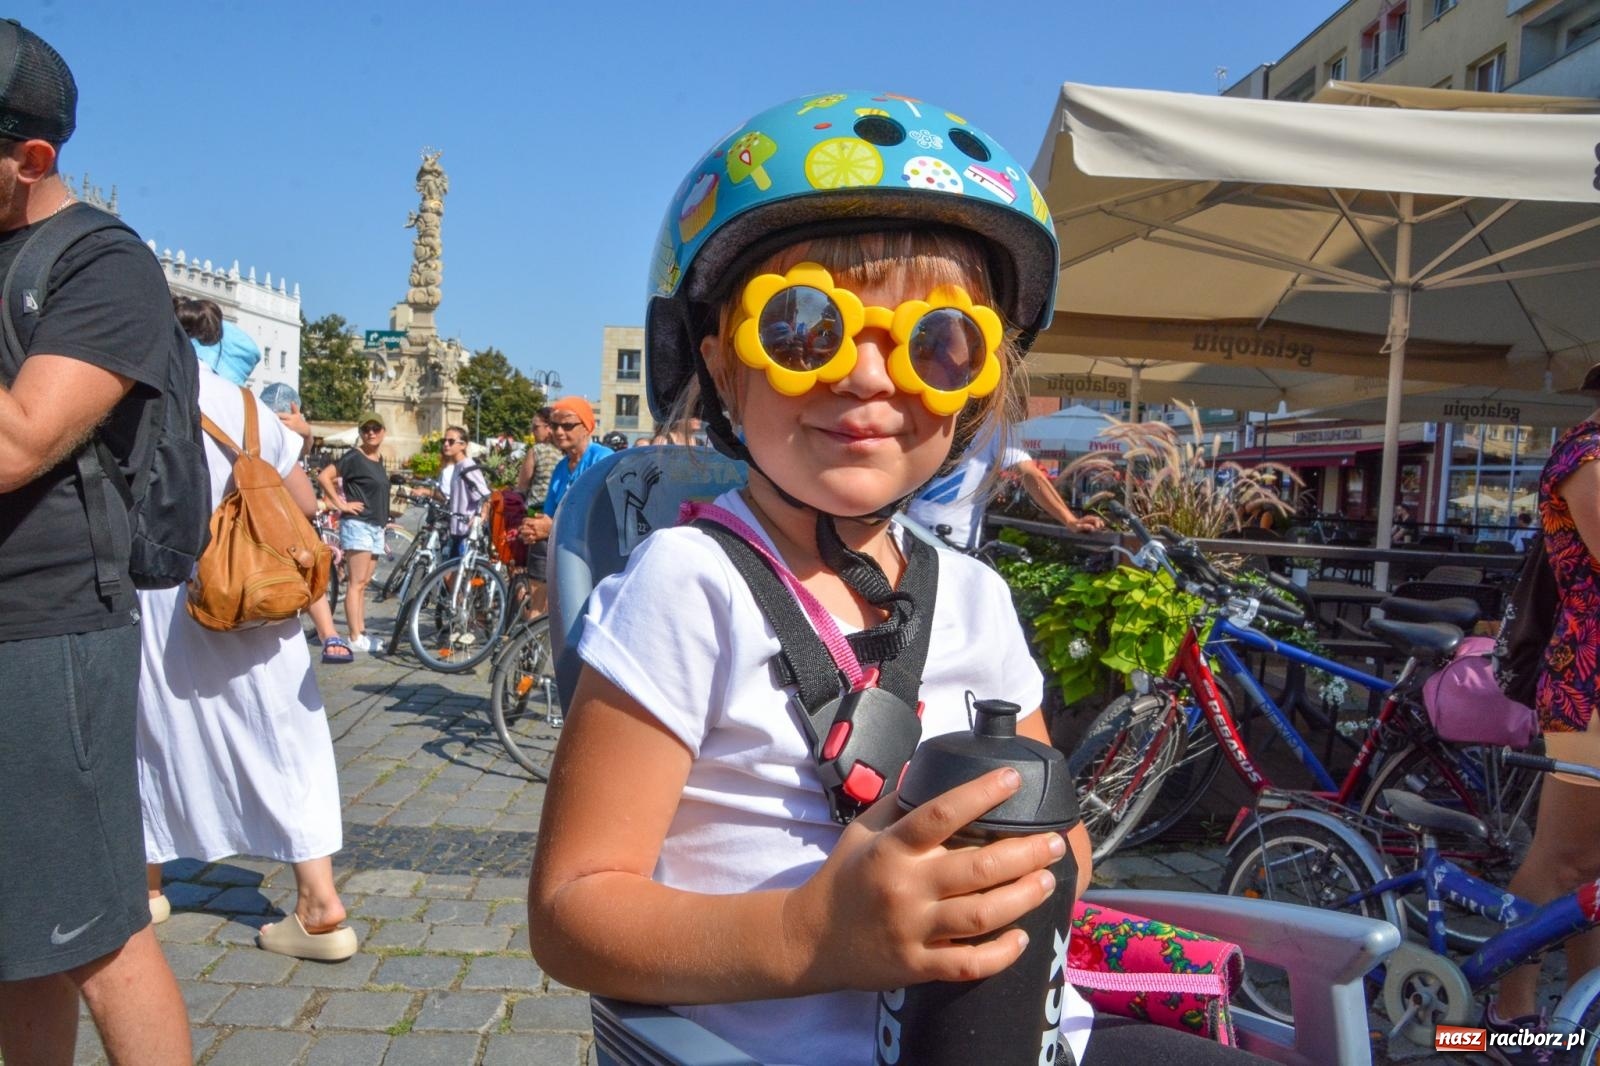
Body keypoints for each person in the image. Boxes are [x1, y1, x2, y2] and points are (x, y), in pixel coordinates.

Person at [527, 91, 1266, 1066]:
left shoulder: (975, 597)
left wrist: (1014, 860)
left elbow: (1067, 852)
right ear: (717, 360)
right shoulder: (685, 583)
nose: (872, 378)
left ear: (975, 387)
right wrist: (813, 936)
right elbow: (572, 908)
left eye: (936, 344)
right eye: (803, 326)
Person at [0, 21, 192, 1063]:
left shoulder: (101, 265)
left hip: (44, 634)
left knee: (94, 931)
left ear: (31, 160)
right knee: (15, 940)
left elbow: (19, 440)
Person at [138, 364, 357, 963]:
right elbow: (304, 501)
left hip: (164, 593)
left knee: (150, 730)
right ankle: (318, 904)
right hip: (256, 595)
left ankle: (147, 884)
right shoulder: (244, 404)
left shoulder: (120, 381)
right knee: (283, 739)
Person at [1487, 374, 1600, 1062]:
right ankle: (1511, 1013)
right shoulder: (1587, 456)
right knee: (1558, 858)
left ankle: (1586, 1005)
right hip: (1591, 685)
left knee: (1591, 867)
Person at [171, 298, 352, 663]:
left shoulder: (153, 395)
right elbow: (302, 503)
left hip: (167, 578)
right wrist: (305, 440)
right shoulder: (252, 411)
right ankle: (330, 632)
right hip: (246, 583)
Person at [907, 429, 1103, 550]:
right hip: (920, 539)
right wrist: (1070, 521)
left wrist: (1070, 520)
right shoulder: (989, 423)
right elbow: (1030, 474)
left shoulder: (991, 425)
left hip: (939, 543)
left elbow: (1029, 474)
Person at [318, 415, 391, 654]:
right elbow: (324, 476)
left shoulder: (378, 459)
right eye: (366, 429)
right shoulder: (354, 457)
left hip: (375, 526)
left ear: (383, 431)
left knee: (364, 583)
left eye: (375, 428)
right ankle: (354, 635)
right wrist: (342, 504)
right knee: (356, 583)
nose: (371, 433)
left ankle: (361, 632)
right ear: (361, 432)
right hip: (358, 524)